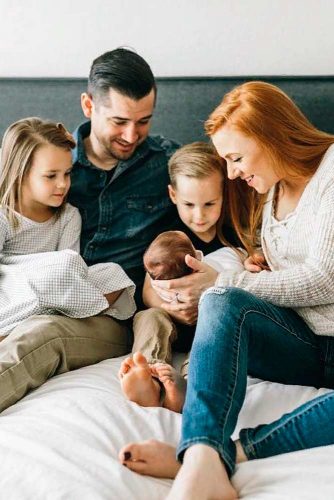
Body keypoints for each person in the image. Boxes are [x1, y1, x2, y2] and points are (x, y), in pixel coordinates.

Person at [119, 81, 334, 500]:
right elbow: (289, 269)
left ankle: (225, 454)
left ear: (270, 137)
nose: (232, 172)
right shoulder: (269, 191)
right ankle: (201, 450)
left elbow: (325, 277)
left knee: (220, 288)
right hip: (301, 342)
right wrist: (258, 268)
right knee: (221, 300)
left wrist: (227, 278)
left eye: (236, 158)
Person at [0, 48, 178, 414]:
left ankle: (154, 387)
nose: (132, 135)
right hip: (53, 305)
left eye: (144, 121)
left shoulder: (167, 166)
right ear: (88, 105)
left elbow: (219, 207)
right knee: (42, 331)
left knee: (151, 319)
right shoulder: (48, 163)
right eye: (119, 121)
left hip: (120, 308)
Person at [118, 143, 245, 412]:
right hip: (171, 320)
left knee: (217, 329)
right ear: (173, 194)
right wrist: (173, 308)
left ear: (224, 193)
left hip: (211, 321)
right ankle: (151, 375)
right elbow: (147, 291)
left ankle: (190, 384)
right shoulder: (167, 235)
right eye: (189, 204)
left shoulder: (236, 233)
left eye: (210, 203)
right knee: (148, 317)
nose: (199, 215)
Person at [0, 117, 136, 335]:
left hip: (57, 290)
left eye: (67, 173)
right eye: (51, 176)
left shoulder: (69, 216)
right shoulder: (4, 215)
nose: (62, 184)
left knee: (113, 273)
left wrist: (59, 274)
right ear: (21, 175)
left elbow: (71, 274)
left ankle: (51, 319)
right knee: (64, 263)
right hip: (13, 291)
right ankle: (29, 325)